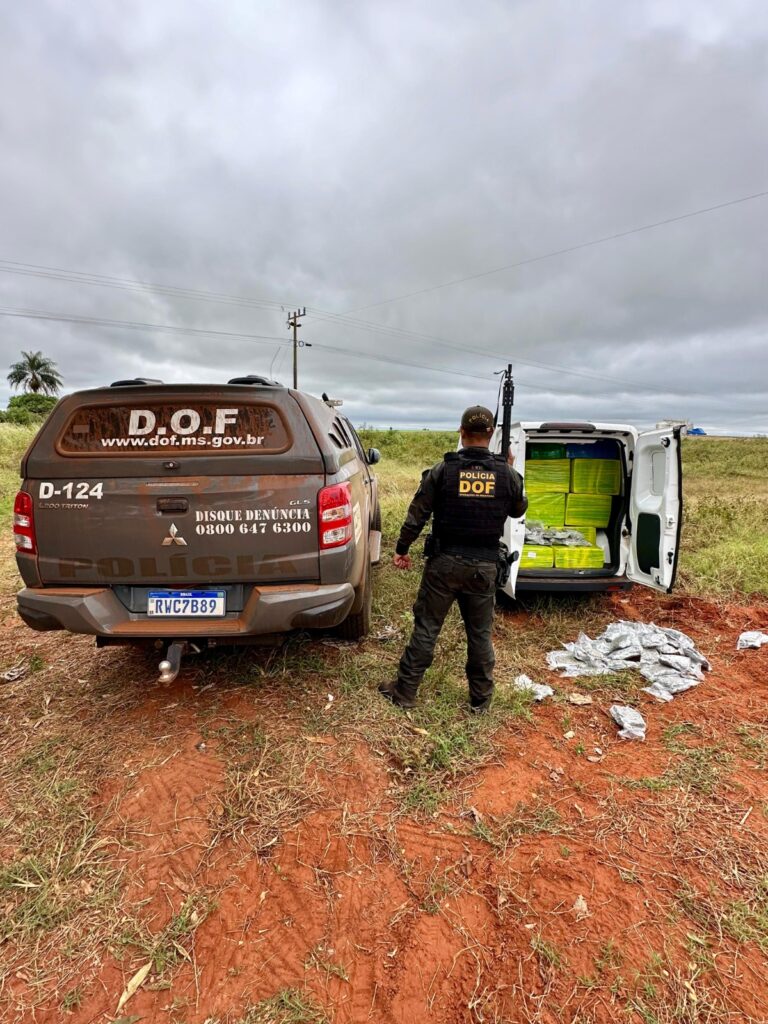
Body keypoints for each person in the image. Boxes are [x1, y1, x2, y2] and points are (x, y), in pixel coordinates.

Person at [379, 406, 527, 714]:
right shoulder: (506, 473)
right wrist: (511, 469)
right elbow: (517, 510)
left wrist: (402, 548)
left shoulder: (443, 470)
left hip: (444, 565)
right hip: (484, 567)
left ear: (461, 433)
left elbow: (417, 513)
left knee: (427, 627)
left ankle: (405, 692)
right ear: (491, 434)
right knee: (480, 634)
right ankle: (481, 701)